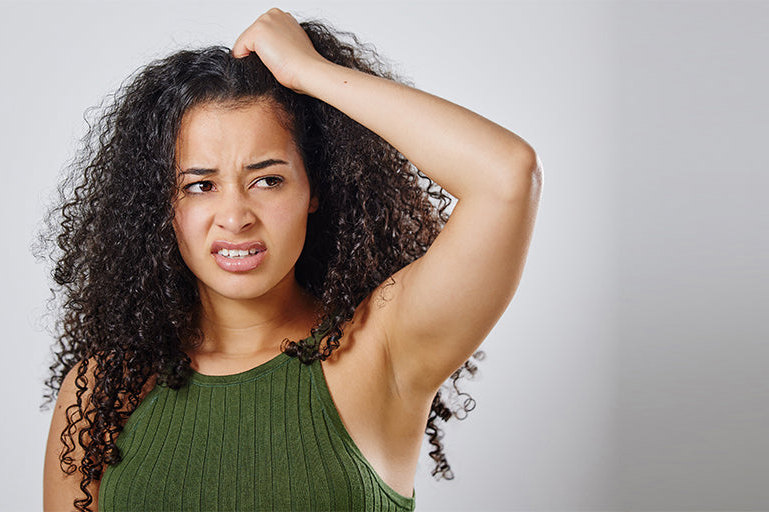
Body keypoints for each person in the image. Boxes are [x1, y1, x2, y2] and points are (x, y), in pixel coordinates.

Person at [40, 8, 541, 512]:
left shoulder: (380, 348)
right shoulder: (101, 391)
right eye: (200, 186)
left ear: (313, 189)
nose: (235, 217)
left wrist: (310, 73)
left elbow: (506, 177)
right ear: (162, 208)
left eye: (268, 179)